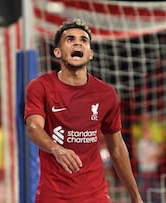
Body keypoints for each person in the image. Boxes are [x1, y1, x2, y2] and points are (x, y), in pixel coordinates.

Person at [24, 18, 143, 203]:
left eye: (83, 40)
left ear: (90, 54)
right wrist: (57, 149)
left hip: (94, 195)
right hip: (53, 196)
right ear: (57, 52)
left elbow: (117, 147)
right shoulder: (40, 87)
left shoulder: (106, 94)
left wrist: (136, 196)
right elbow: (33, 128)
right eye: (70, 39)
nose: (78, 42)